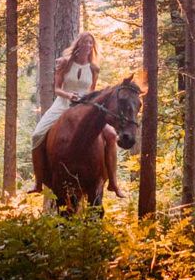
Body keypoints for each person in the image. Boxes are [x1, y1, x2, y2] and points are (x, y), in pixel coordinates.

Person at [30, 32, 125, 198]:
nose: (88, 46)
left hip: (85, 106)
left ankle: (114, 183)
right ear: (78, 44)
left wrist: (89, 102)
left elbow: (92, 91)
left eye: (90, 43)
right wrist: (69, 96)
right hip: (63, 104)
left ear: (92, 47)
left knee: (110, 135)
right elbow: (57, 88)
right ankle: (38, 182)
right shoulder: (65, 63)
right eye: (85, 42)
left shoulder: (94, 68)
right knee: (37, 135)